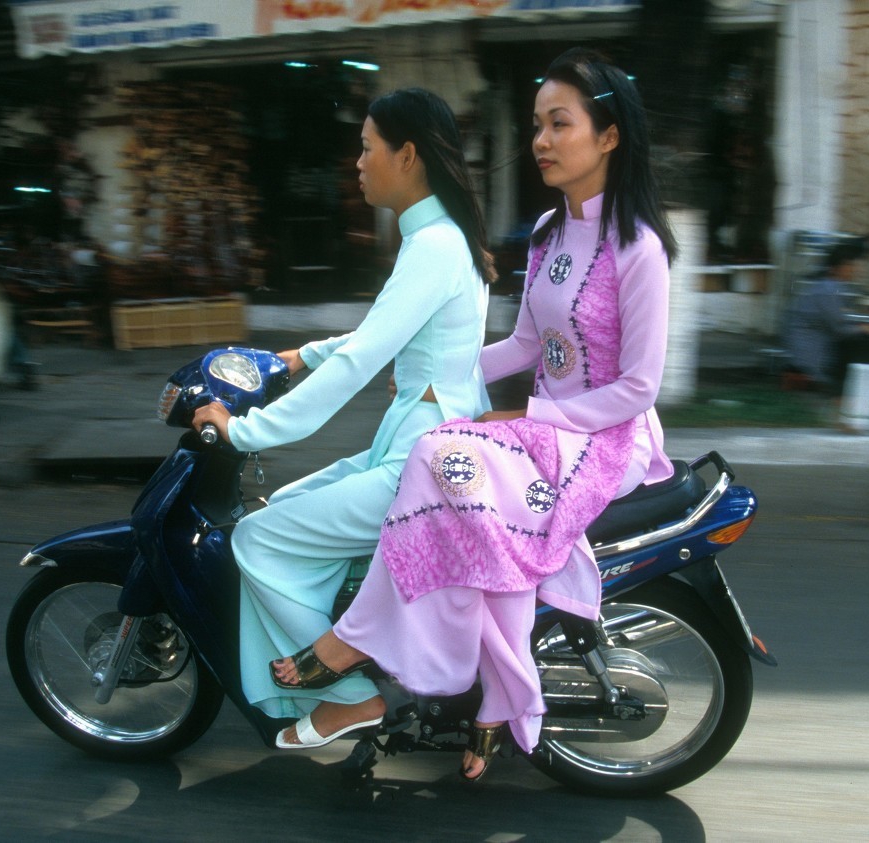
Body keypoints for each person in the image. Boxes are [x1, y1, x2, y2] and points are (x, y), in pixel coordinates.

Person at [270, 48, 679, 782]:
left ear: (609, 136)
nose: (542, 141)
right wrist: (440, 371)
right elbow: (524, 343)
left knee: (438, 457)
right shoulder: (552, 232)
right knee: (444, 458)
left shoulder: (638, 249)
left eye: (561, 124)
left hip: (603, 440)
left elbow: (639, 388)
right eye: (537, 125)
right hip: (545, 428)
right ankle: (486, 689)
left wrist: (532, 421)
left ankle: (355, 644)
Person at [191, 88, 496, 732]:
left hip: (420, 464)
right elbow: (380, 335)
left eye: (366, 147)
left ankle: (350, 692)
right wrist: (303, 354)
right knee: (282, 507)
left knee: (256, 538)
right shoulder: (440, 239)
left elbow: (363, 362)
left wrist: (243, 431)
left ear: (406, 155)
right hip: (419, 446)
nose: (357, 161)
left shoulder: (435, 246)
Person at [784, 239, 869, 389]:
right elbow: (839, 329)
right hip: (810, 359)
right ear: (835, 268)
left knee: (860, 341)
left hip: (815, 352)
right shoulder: (827, 290)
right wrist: (865, 328)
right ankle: (857, 389)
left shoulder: (832, 287)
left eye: (853, 265)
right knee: (863, 344)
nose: (853, 269)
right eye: (849, 265)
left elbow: (839, 317)